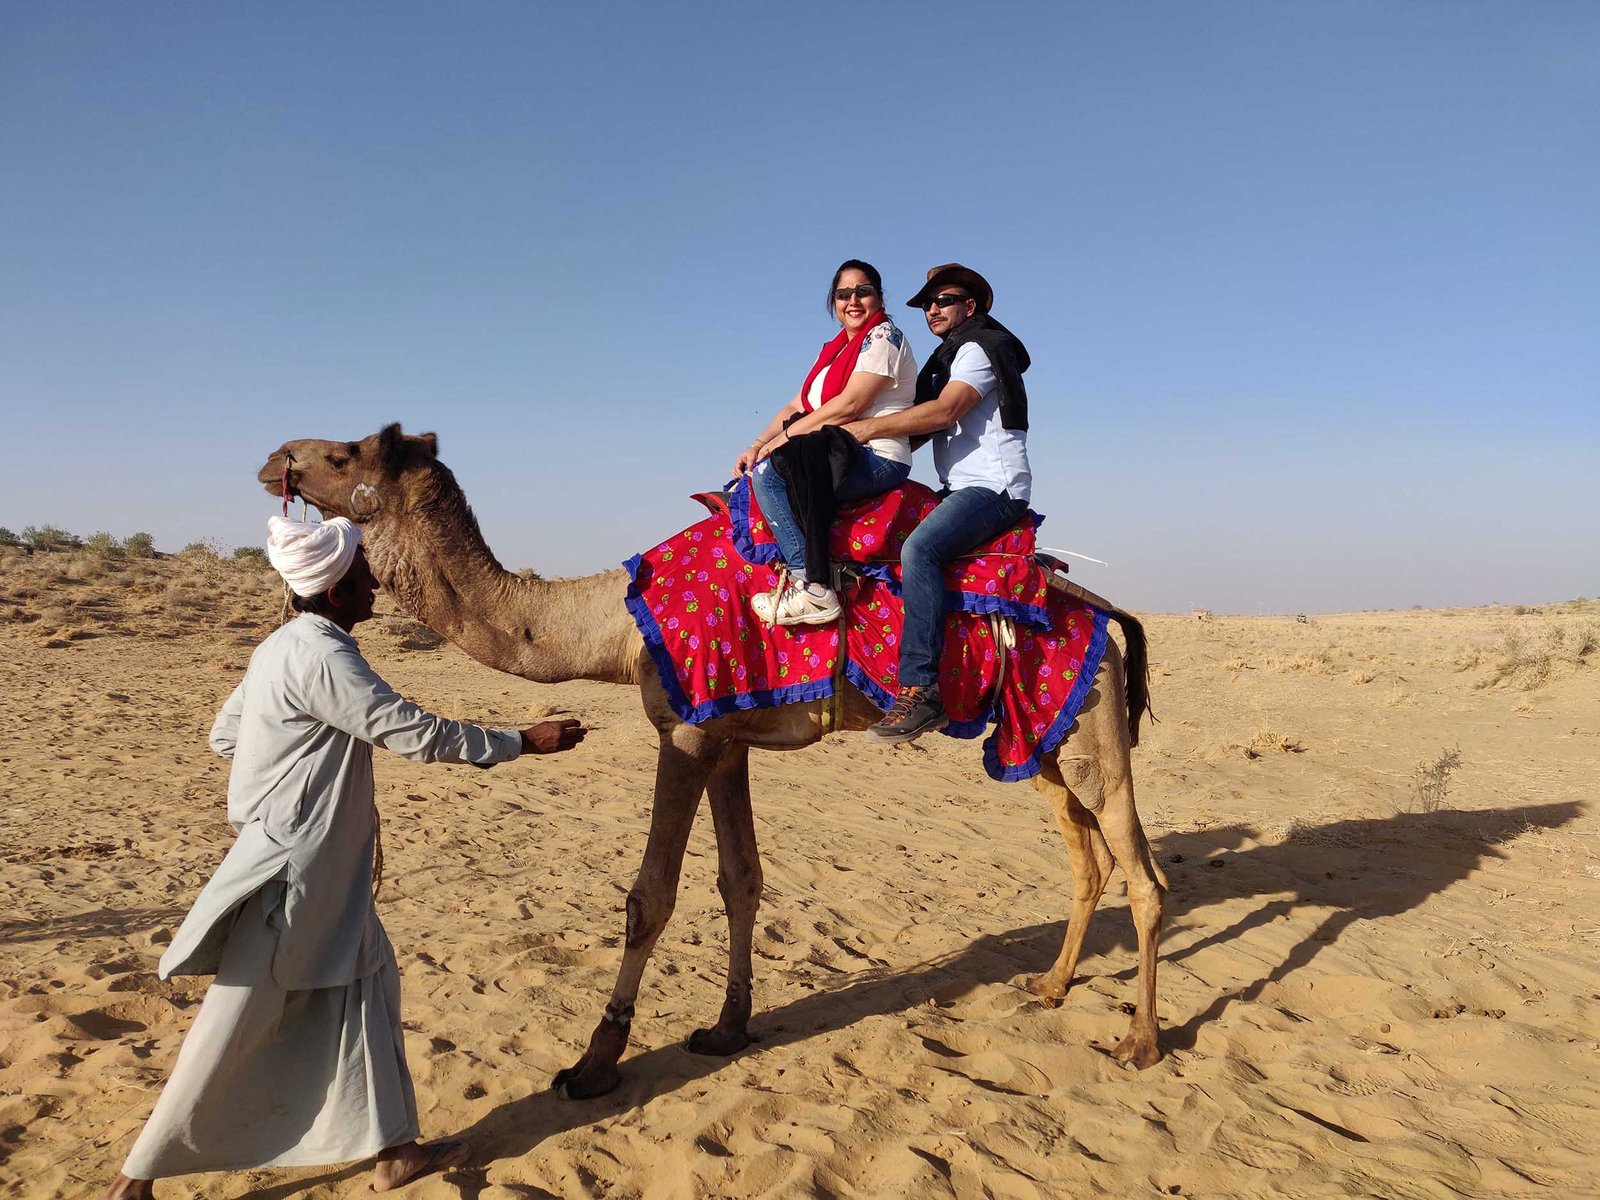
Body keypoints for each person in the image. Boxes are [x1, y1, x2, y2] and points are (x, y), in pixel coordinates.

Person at [106, 516, 586, 1199]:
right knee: (238, 1014)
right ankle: (136, 1179)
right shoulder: (323, 656)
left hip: (324, 866)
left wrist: (290, 760)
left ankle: (395, 1151)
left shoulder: (281, 648)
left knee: (369, 984)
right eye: (362, 576)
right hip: (296, 870)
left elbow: (225, 735)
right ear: (333, 592)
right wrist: (521, 743)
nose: (374, 587)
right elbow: (411, 731)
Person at [844, 263, 1033, 744]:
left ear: (970, 307)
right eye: (927, 303)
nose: (931, 309)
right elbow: (920, 425)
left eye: (943, 300)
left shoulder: (978, 349)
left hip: (993, 488)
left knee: (919, 551)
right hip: (960, 487)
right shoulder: (950, 356)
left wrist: (863, 429)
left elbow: (944, 411)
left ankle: (920, 691)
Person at [732, 259, 919, 626]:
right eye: (843, 294)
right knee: (765, 465)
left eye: (863, 291)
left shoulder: (883, 338)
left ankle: (810, 585)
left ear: (879, 298)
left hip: (876, 455)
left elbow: (851, 404)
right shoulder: (833, 352)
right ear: (833, 303)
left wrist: (781, 444)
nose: (853, 301)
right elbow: (796, 405)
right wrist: (758, 443)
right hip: (834, 448)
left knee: (772, 475)